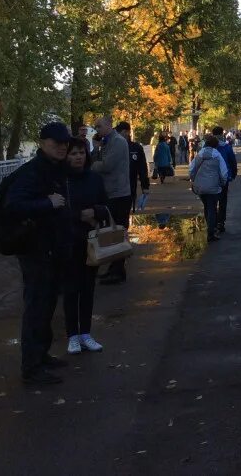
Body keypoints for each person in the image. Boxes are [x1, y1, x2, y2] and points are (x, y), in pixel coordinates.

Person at [5, 121, 72, 385]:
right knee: (37, 306)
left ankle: (41, 355)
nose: (62, 147)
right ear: (43, 143)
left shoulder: (53, 169)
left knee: (47, 304)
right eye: (56, 143)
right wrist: (47, 203)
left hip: (50, 248)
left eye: (65, 143)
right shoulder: (33, 172)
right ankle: (31, 367)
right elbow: (14, 205)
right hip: (35, 250)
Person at [61, 137, 109, 355]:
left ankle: (86, 333)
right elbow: (56, 209)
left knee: (88, 288)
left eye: (81, 152)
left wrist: (96, 212)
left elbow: (105, 204)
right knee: (70, 288)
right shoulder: (62, 181)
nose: (78, 157)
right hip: (69, 240)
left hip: (91, 240)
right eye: (73, 153)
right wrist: (79, 215)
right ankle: (72, 335)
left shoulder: (94, 178)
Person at [93, 115, 133, 285]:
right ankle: (114, 268)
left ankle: (117, 270)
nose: (97, 130)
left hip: (118, 193)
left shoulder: (117, 142)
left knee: (117, 232)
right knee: (112, 231)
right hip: (113, 192)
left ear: (109, 125)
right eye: (95, 127)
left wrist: (91, 165)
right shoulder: (108, 141)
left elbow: (107, 165)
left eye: (99, 126)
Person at [189, 135, 229, 243]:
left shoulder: (200, 154)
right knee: (212, 208)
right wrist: (223, 183)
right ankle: (211, 232)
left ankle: (210, 228)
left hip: (200, 187)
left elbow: (192, 169)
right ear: (216, 145)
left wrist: (193, 180)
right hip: (213, 187)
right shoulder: (217, 155)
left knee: (207, 207)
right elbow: (223, 172)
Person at [116, 122, 149, 212]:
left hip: (130, 185)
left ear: (127, 132)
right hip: (115, 186)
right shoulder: (113, 147)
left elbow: (142, 168)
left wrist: (145, 186)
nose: (118, 134)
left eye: (120, 132)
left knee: (126, 211)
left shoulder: (136, 148)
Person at [211, 126, 238, 235]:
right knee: (222, 200)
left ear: (213, 134)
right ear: (222, 134)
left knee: (211, 202)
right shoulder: (226, 146)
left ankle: (212, 222)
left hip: (211, 178)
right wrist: (234, 173)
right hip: (224, 177)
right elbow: (232, 161)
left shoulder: (207, 146)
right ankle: (221, 222)